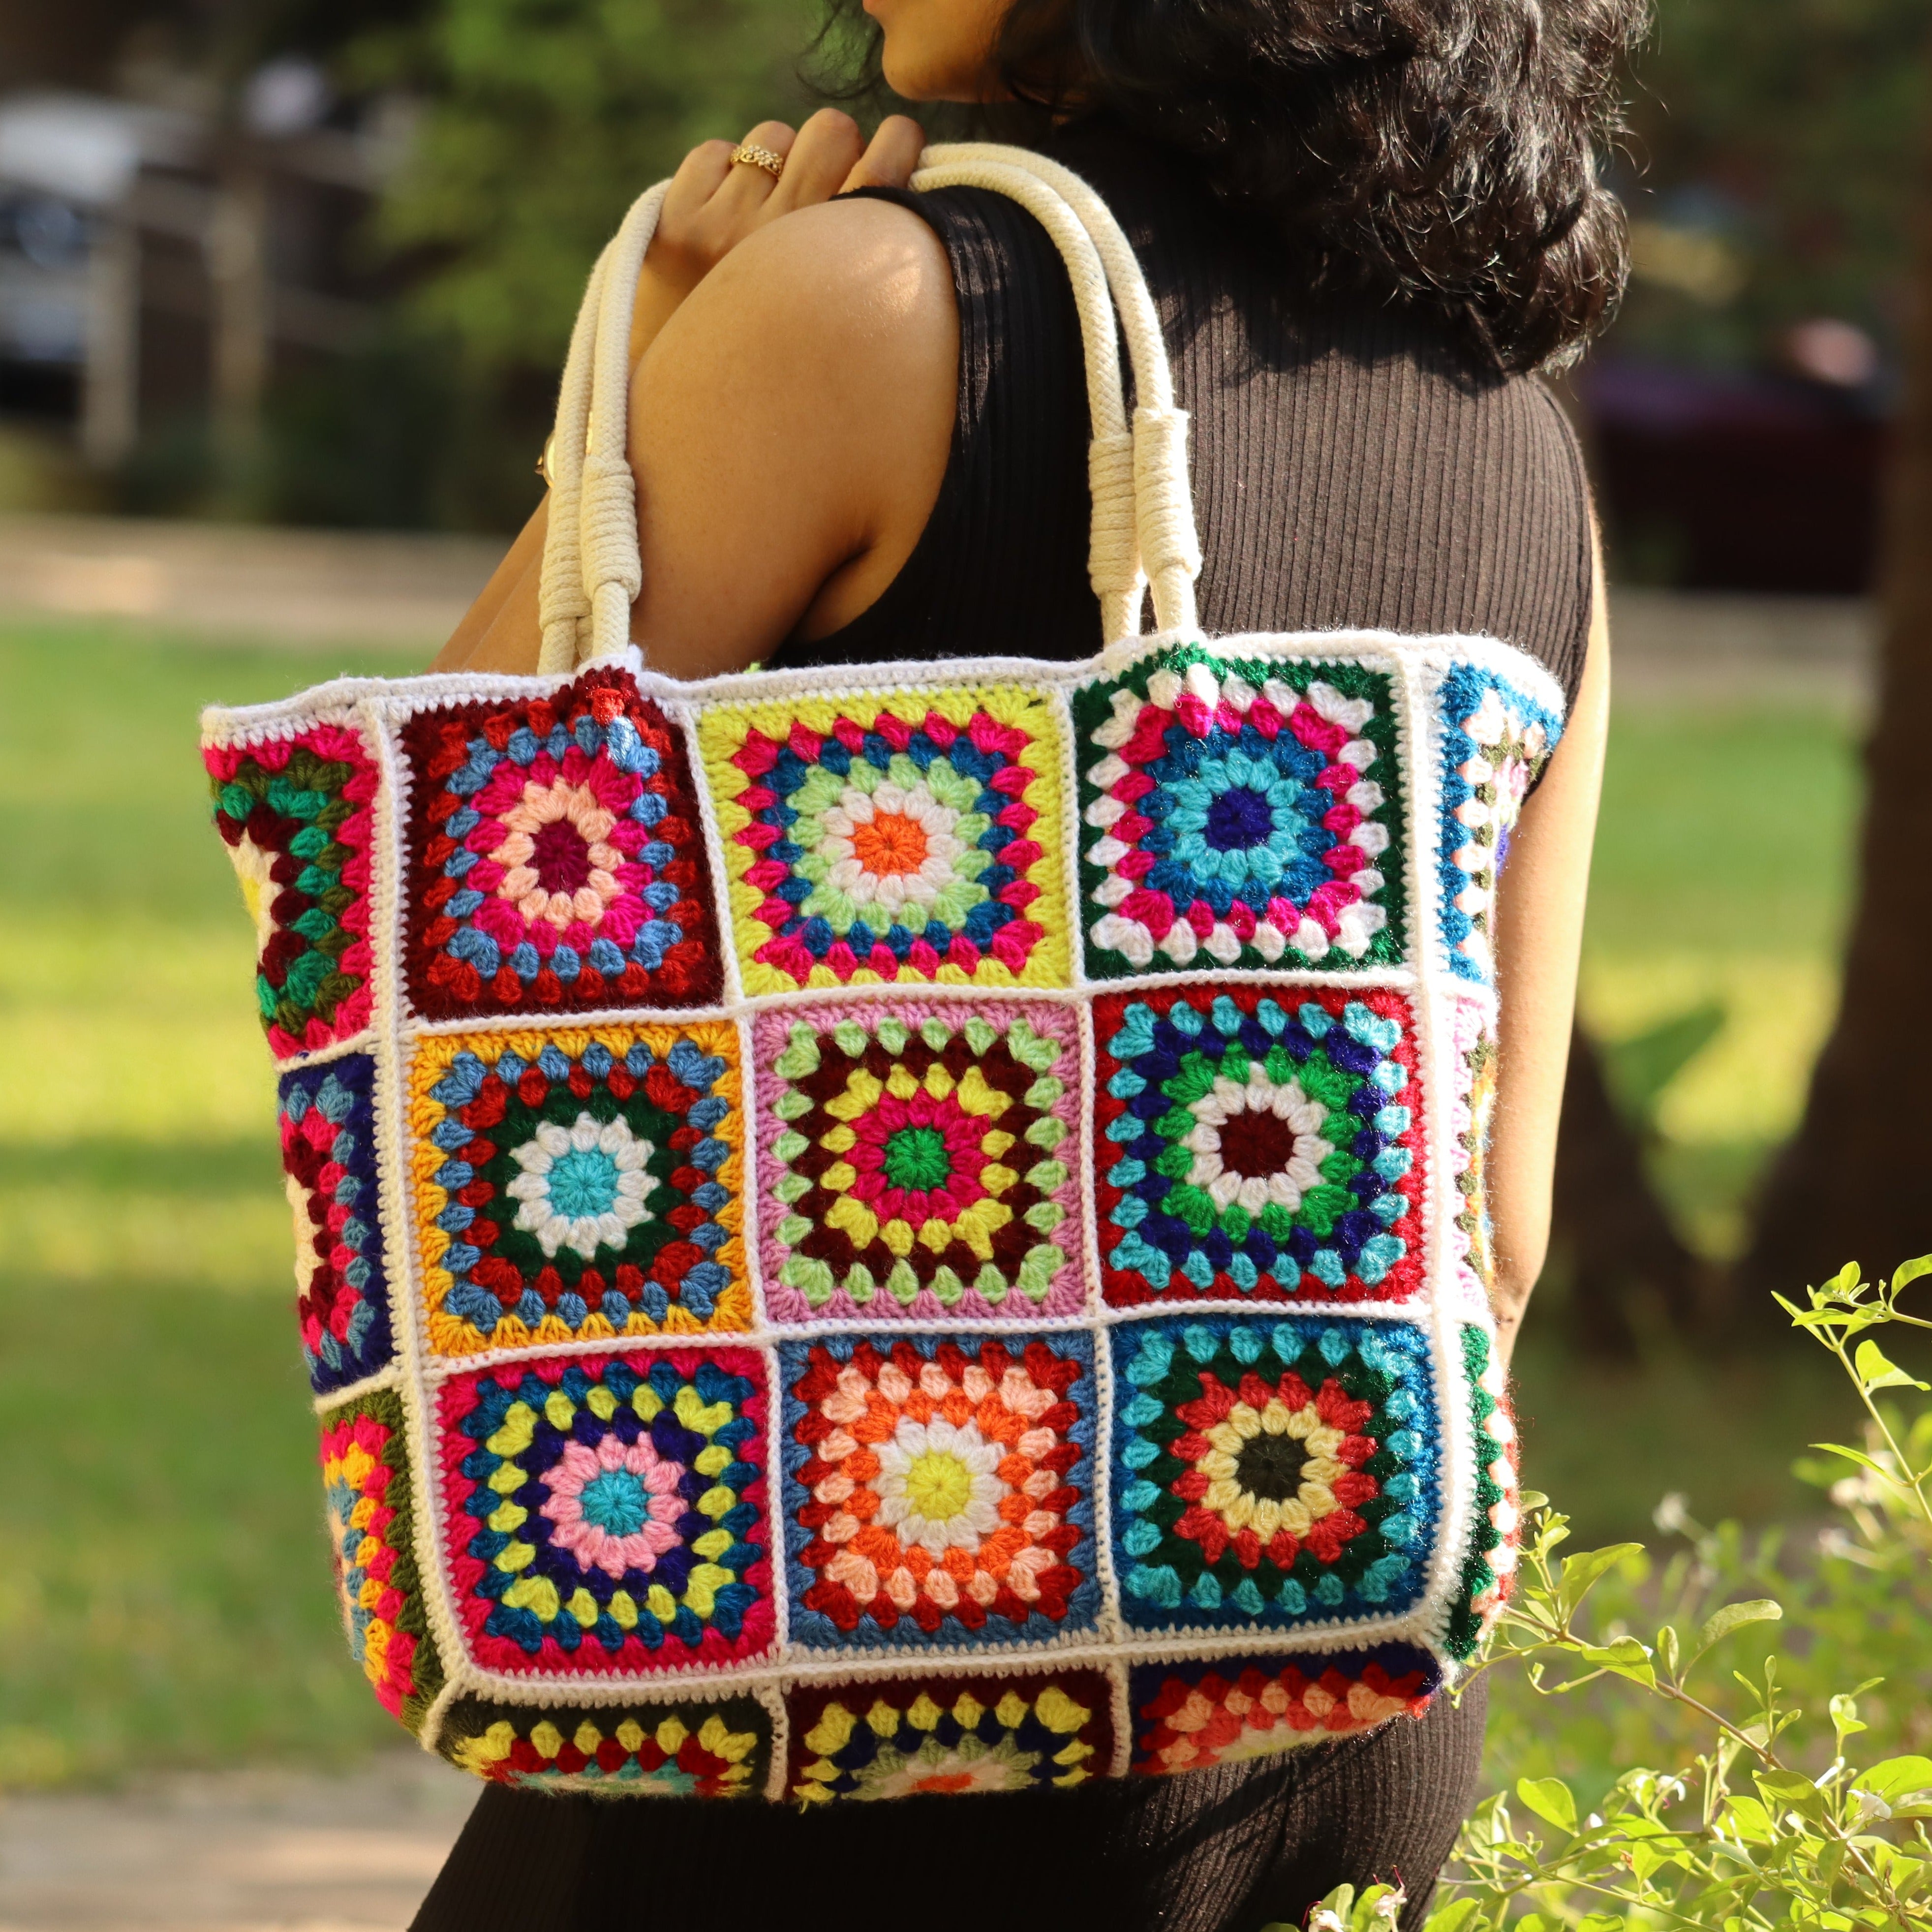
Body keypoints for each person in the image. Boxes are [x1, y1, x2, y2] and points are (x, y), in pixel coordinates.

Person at [419, 0, 1632, 1924]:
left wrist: (660, 362)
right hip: (1328, 1702)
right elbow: (1494, 1234)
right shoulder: (1523, 454)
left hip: (846, 1643)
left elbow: (432, 919)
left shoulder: (864, 308)